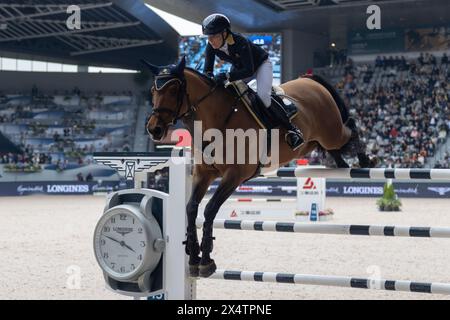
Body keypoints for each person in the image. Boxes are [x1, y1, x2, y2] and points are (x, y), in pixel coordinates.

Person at [201, 13, 303, 150]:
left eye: (214, 36)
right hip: (240, 68)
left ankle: (292, 130)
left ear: (224, 33)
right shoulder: (210, 46)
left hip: (260, 66)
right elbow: (207, 70)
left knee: (263, 98)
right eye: (209, 37)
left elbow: (249, 70)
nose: (211, 40)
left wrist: (226, 76)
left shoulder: (240, 42)